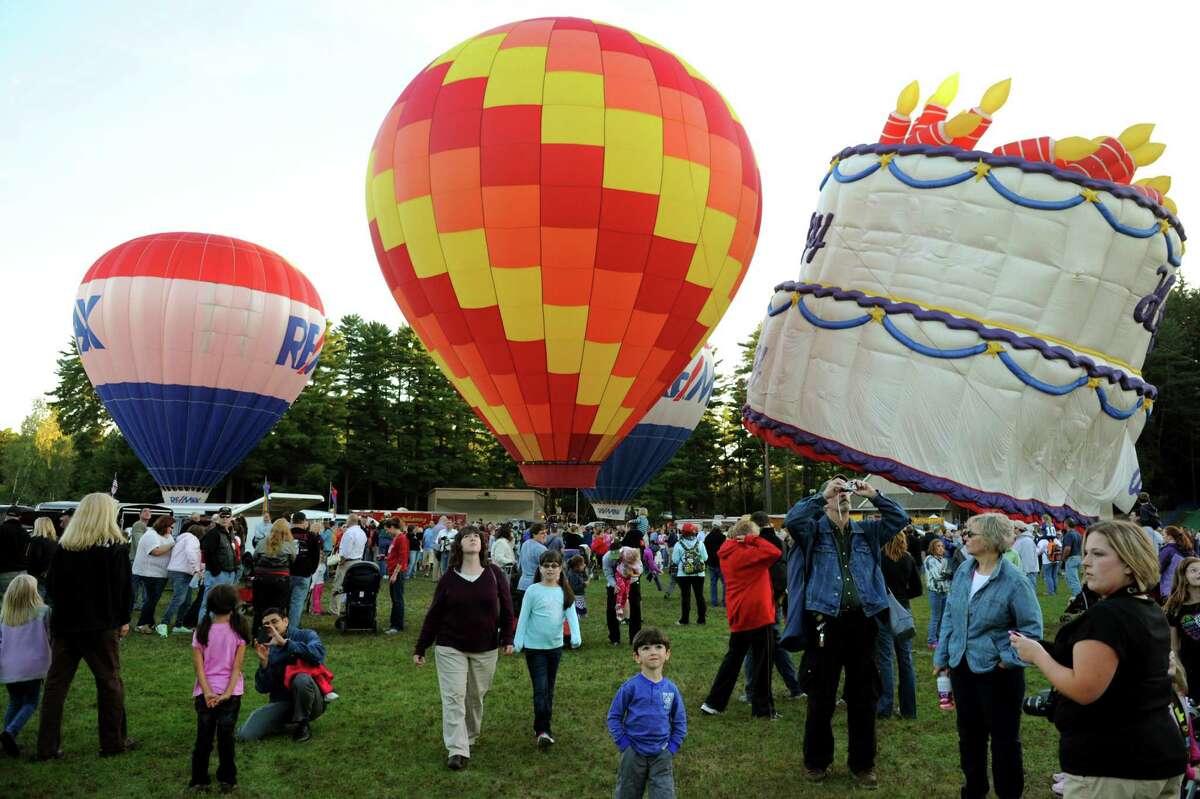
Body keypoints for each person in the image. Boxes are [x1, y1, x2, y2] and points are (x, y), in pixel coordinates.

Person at [1010, 519, 1187, 797]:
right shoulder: (1148, 609)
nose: (1086, 562)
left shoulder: (1107, 617)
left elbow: (1084, 689)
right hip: (1161, 756)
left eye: (1099, 554)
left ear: (1129, 563)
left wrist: (1038, 655)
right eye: (1087, 553)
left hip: (1114, 765)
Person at [782, 475, 908, 788]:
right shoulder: (812, 531)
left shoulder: (868, 531)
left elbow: (899, 518)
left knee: (863, 695)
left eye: (845, 492)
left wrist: (874, 494)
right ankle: (816, 762)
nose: (842, 495)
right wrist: (820, 494)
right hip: (824, 621)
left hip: (862, 621)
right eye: (836, 492)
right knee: (821, 693)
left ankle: (863, 765)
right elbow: (792, 519)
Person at [934, 513, 1043, 799]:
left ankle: (1009, 793)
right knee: (969, 738)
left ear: (992, 540)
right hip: (962, 668)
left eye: (972, 533)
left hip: (999, 674)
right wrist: (942, 658)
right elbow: (950, 614)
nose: (966, 537)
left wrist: (1007, 658)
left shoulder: (1015, 581)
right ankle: (974, 791)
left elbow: (1031, 628)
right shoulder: (963, 571)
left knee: (1004, 741)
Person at [36, 492, 134, 760]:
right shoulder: (115, 549)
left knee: (56, 685)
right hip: (100, 627)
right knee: (110, 682)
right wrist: (123, 619)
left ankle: (47, 746)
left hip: (65, 626)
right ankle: (113, 742)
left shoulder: (63, 550)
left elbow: (52, 589)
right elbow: (124, 590)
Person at [413, 526, 514, 770]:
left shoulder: (494, 574)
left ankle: (469, 736)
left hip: (485, 646)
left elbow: (508, 608)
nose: (472, 539)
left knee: (474, 697)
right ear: (459, 545)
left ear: (482, 545)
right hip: (450, 646)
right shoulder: (449, 577)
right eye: (467, 536)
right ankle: (457, 749)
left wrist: (507, 638)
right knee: (454, 697)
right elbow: (434, 613)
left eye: (476, 536)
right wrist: (421, 646)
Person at [698, 517, 782, 719]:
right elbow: (775, 552)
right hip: (759, 614)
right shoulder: (752, 552)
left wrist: (743, 538)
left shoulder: (726, 552)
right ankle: (762, 710)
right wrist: (754, 540)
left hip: (738, 613)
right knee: (763, 664)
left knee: (733, 659)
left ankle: (713, 703)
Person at [608, 628, 687, 799]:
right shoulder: (630, 687)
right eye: (645, 648)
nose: (653, 652)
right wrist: (624, 744)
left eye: (658, 647)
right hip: (633, 752)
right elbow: (614, 716)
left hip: (662, 753)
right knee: (627, 794)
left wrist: (672, 747)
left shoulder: (671, 689)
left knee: (664, 795)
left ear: (667, 654)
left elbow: (680, 722)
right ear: (637, 657)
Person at [513, 549, 580, 750]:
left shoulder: (564, 592)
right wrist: (518, 641)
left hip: (555, 648)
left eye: (554, 566)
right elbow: (523, 617)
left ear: (561, 569)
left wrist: (576, 636)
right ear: (540, 568)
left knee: (549, 689)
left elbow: (572, 616)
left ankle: (542, 726)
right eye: (546, 566)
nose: (550, 569)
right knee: (540, 689)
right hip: (535, 649)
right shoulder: (533, 591)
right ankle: (543, 730)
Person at [237, 606, 328, 743]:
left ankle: (302, 724)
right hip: (282, 702)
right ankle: (285, 721)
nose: (271, 627)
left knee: (301, 678)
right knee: (245, 735)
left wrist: (286, 644)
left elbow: (318, 655)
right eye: (267, 624)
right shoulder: (268, 646)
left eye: (275, 622)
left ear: (285, 621)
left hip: (313, 701)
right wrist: (264, 663)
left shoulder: (306, 635)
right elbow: (262, 688)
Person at [189, 583, 250, 791]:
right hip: (230, 695)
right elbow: (236, 669)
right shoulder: (239, 631)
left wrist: (206, 692)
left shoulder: (200, 631)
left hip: (205, 695)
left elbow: (199, 670)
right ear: (234, 605)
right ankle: (227, 779)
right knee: (226, 738)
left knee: (203, 739)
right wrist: (226, 693)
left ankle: (199, 780)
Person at [0, 575, 51, 757]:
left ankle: (6, 737)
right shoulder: (43, 612)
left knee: (14, 701)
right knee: (30, 701)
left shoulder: (5, 615)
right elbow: (49, 634)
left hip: (8, 665)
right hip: (33, 665)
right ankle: (10, 732)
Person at [876, 531, 922, 720]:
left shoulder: (879, 559)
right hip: (903, 610)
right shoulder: (908, 559)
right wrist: (902, 597)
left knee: (886, 659)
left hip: (883, 610)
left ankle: (885, 706)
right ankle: (908, 709)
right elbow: (918, 589)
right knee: (905, 660)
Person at [158, 522, 204, 637]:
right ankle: (163, 623)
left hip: (177, 571)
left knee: (186, 601)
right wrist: (197, 569)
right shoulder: (193, 539)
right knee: (179, 599)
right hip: (182, 572)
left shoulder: (181, 539)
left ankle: (179, 625)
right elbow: (191, 552)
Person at [131, 515, 175, 634]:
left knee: (153, 600)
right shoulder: (151, 535)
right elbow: (155, 551)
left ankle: (149, 623)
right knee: (151, 600)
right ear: (163, 525)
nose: (172, 530)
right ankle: (141, 625)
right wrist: (172, 545)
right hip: (148, 572)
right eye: (170, 527)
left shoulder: (168, 536)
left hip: (160, 573)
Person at [252, 520, 296, 636]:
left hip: (261, 580)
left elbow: (255, 557)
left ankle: (258, 636)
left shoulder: (262, 543)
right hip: (280, 580)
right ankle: (276, 635)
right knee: (278, 609)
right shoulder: (289, 545)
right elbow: (293, 560)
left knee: (260, 608)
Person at [1165, 557, 1200, 694]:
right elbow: (1174, 646)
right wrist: (1180, 670)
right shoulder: (1176, 608)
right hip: (1192, 666)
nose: (1199, 573)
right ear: (1184, 577)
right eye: (1194, 570)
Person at [606, 530, 645, 646]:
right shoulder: (606, 558)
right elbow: (608, 574)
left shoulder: (631, 553)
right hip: (614, 582)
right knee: (611, 608)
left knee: (635, 607)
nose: (615, 559)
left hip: (632, 581)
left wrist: (631, 575)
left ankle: (635, 637)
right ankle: (614, 638)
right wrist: (615, 585)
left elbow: (640, 569)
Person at [199, 509, 239, 620]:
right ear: (218, 518)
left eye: (227, 516)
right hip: (217, 574)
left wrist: (234, 568)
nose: (225, 518)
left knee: (223, 603)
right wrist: (216, 570)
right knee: (210, 602)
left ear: (231, 518)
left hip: (229, 572)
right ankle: (203, 629)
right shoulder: (214, 533)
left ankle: (217, 628)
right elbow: (207, 553)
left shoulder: (228, 533)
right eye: (223, 516)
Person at [287, 512, 322, 628]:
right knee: (296, 604)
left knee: (284, 602)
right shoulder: (311, 536)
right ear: (304, 522)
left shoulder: (286, 535)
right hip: (303, 574)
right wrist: (310, 571)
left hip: (286, 573)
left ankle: (282, 627)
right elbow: (316, 557)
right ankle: (292, 630)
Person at [670, 523, 707, 625]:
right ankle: (701, 619)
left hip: (683, 574)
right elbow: (705, 558)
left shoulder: (678, 544)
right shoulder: (700, 544)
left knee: (686, 597)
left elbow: (675, 560)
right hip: (699, 573)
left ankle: (684, 620)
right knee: (699, 596)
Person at [332, 514, 366, 615]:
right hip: (358, 561)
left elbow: (345, 551)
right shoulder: (362, 532)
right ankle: (352, 606)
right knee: (353, 587)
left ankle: (334, 610)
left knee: (338, 585)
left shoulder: (349, 532)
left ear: (350, 521)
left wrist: (341, 561)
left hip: (347, 562)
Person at [515, 523, 549, 615]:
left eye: (546, 532)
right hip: (535, 586)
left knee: (523, 617)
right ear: (534, 534)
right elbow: (546, 571)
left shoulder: (525, 544)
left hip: (522, 585)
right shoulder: (541, 549)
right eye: (542, 533)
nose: (545, 535)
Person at [384, 519, 410, 634]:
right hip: (393, 571)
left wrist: (395, 574)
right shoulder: (396, 538)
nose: (387, 532)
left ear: (393, 527)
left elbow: (402, 558)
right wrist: (385, 557)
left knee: (397, 599)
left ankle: (397, 626)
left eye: (387, 529)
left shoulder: (402, 538)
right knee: (394, 599)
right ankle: (393, 623)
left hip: (398, 573)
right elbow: (394, 554)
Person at [924, 538, 950, 650]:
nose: (941, 548)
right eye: (938, 546)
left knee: (943, 617)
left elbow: (945, 574)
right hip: (935, 591)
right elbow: (937, 576)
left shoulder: (943, 559)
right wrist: (950, 574)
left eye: (942, 546)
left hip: (944, 591)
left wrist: (948, 574)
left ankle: (939, 637)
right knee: (935, 617)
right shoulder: (930, 559)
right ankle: (931, 640)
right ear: (933, 548)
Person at [24, 518, 58, 601]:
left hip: (37, 575)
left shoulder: (35, 540)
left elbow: (34, 559)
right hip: (51, 574)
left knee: (37, 599)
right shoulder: (56, 540)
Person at [0, 506, 30, 598]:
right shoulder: (25, 533)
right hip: (23, 573)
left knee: (4, 601)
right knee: (19, 603)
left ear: (6, 515)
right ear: (19, 517)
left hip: (4, 572)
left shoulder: (1, 530)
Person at [1159, 526, 1196, 600]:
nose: (1162, 537)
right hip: (1185, 592)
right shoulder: (1188, 550)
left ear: (1169, 537)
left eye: (1163, 535)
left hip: (1168, 591)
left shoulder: (1168, 550)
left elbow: (1157, 568)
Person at [126, 507, 152, 609]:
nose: (147, 513)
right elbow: (140, 543)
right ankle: (134, 604)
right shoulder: (138, 524)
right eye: (144, 511)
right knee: (137, 585)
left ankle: (136, 604)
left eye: (149, 512)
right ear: (139, 514)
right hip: (137, 560)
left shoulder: (146, 527)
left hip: (138, 560)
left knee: (138, 585)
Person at [614, 547, 643, 622]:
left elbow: (639, 573)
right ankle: (618, 606)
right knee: (621, 589)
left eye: (630, 561)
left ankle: (623, 610)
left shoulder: (636, 563)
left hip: (629, 579)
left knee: (626, 594)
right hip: (619, 575)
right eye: (627, 560)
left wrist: (632, 573)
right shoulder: (623, 552)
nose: (628, 562)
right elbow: (614, 554)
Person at [704, 523, 726, 609]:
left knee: (713, 583)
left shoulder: (708, 537)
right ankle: (725, 602)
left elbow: (705, 550)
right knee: (725, 583)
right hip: (721, 563)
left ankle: (714, 602)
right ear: (720, 527)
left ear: (712, 527)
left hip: (711, 563)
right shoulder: (723, 537)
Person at [1061, 522, 1084, 599]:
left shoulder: (1069, 534)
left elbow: (1067, 548)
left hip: (1071, 558)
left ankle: (1077, 597)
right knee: (1075, 578)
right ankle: (1078, 594)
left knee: (1073, 580)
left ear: (1066, 524)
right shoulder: (1078, 534)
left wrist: (1064, 557)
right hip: (1078, 556)